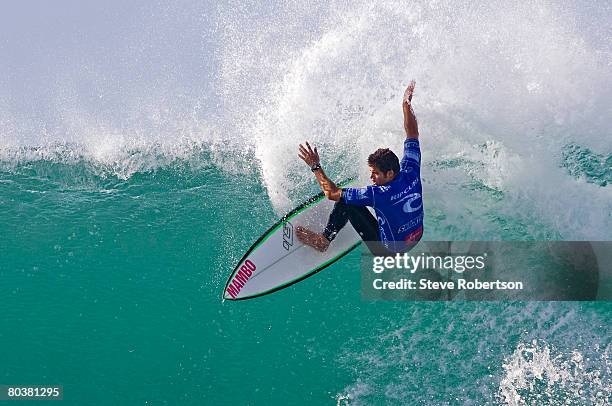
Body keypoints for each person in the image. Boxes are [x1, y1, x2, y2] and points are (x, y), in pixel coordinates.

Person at [296, 80, 423, 255]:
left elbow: (332, 193)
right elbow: (412, 133)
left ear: (390, 173)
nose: (372, 178)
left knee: (345, 201)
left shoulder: (378, 193)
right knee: (380, 206)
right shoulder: (411, 170)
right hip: (416, 237)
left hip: (389, 250)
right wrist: (406, 104)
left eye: (376, 174)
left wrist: (315, 166)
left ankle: (323, 241)